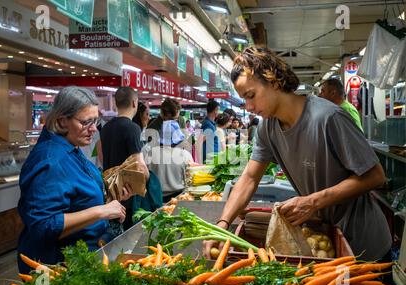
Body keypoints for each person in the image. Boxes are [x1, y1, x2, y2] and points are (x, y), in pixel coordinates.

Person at [203, 47, 392, 263]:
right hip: (326, 243)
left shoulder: (328, 118)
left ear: (272, 80)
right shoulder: (268, 128)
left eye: (251, 95)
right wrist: (223, 225)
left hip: (365, 245)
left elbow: (376, 175)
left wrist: (313, 201)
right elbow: (250, 178)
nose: (249, 106)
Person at [17, 86, 132, 274]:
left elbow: (77, 197)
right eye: (86, 122)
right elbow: (43, 226)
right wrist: (101, 211)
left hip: (84, 257)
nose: (94, 129)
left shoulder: (72, 147)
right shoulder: (50, 160)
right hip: (53, 268)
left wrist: (111, 196)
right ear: (62, 121)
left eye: (95, 121)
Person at [100, 87, 149, 234]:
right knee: (131, 236)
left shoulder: (106, 128)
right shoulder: (132, 128)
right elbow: (138, 165)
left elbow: (102, 158)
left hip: (111, 194)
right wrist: (147, 177)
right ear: (134, 103)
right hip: (129, 195)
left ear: (116, 103)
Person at [145, 120, 193, 203]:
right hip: (179, 200)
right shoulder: (184, 155)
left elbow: (145, 177)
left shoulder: (150, 154)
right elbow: (191, 181)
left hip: (154, 200)